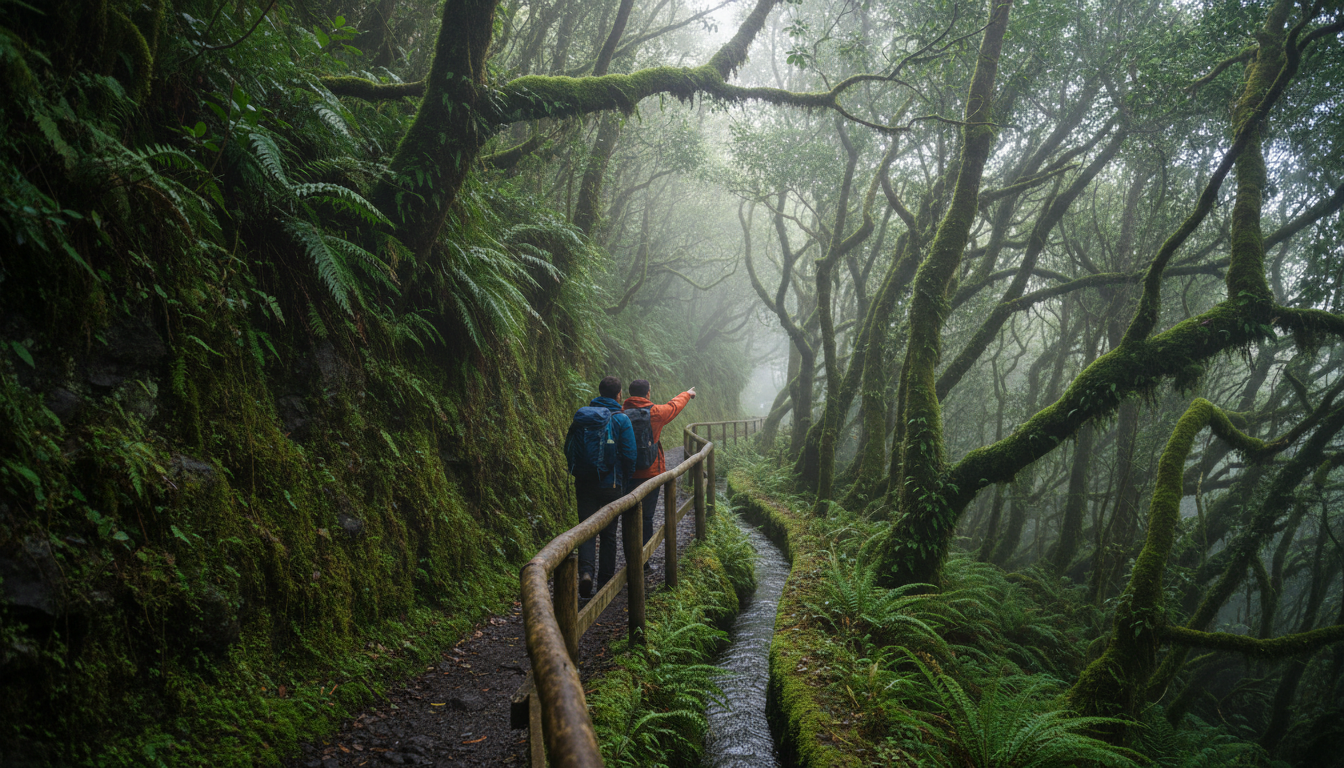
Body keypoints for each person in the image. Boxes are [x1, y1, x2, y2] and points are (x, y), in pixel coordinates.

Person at [565, 376, 636, 598]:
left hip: (584, 482)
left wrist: (578, 472)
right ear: (618, 395)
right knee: (608, 534)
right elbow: (630, 454)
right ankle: (605, 584)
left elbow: (568, 447)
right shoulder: (621, 419)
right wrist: (626, 480)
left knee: (586, 529)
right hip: (611, 485)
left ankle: (586, 573)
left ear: (599, 392)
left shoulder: (583, 416)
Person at [622, 379, 695, 566]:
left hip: (627, 473)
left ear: (629, 394)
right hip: (650, 473)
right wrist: (687, 394)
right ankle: (643, 560)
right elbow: (674, 406)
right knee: (646, 517)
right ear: (648, 393)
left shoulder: (620, 414)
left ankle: (631, 558)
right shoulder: (655, 413)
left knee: (627, 516)